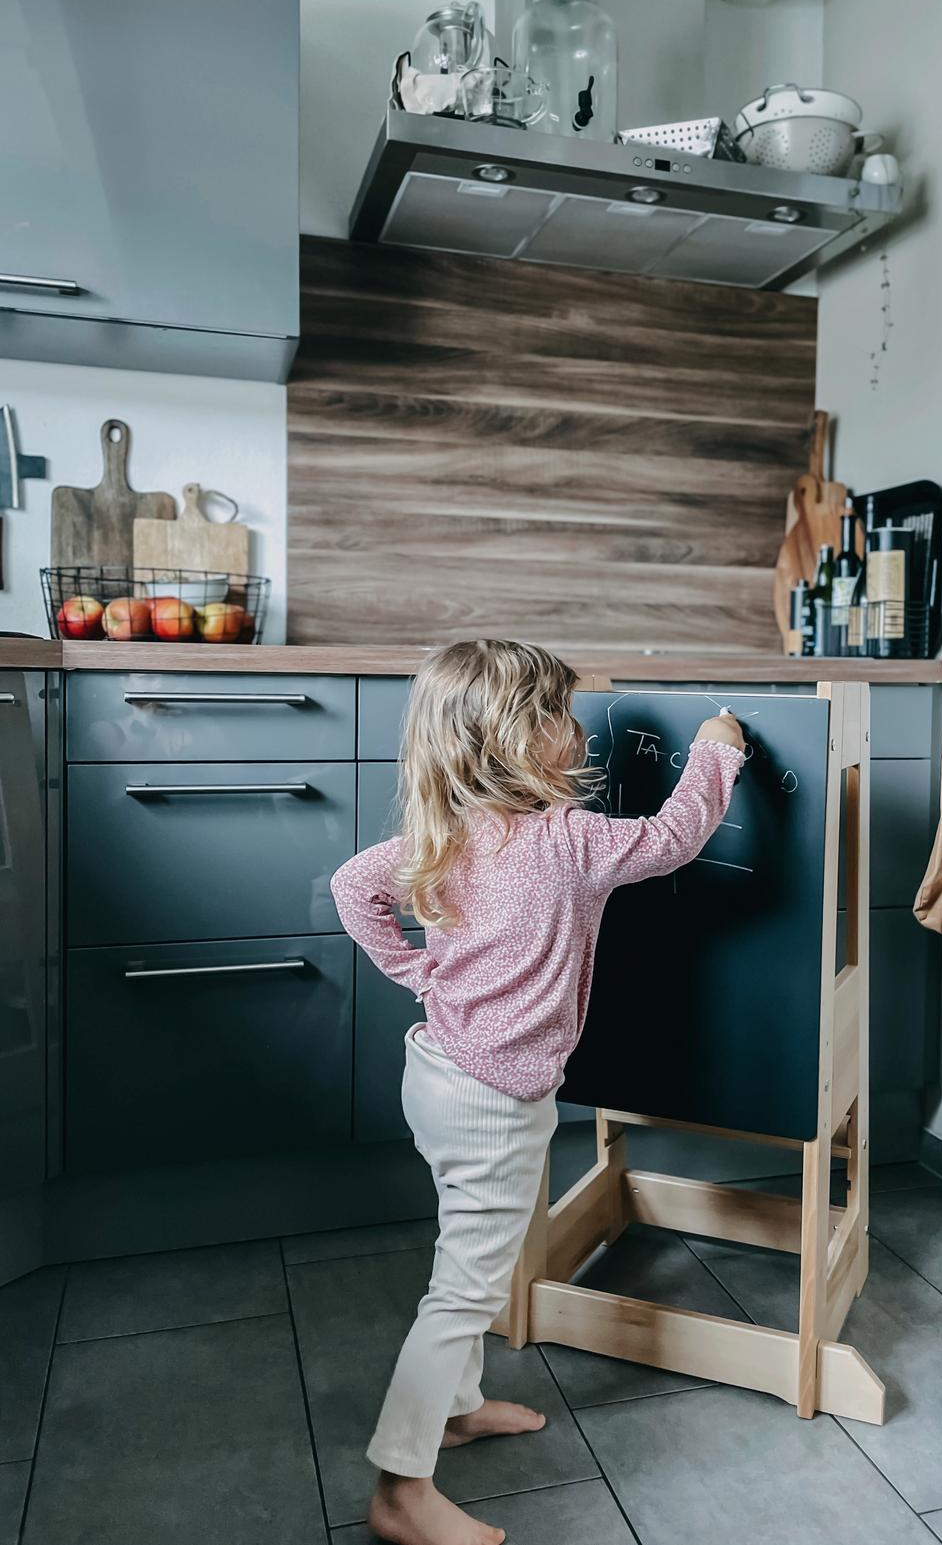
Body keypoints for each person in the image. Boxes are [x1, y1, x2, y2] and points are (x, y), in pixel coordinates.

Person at [331, 639, 745, 1545]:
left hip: (440, 1071)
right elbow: (675, 835)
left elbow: (352, 885)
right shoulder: (569, 841)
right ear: (520, 738)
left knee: (476, 1248)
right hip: (490, 1095)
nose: (574, 727)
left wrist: (418, 972)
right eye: (558, 712)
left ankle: (456, 1406)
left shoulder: (444, 834)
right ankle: (400, 1490)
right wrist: (718, 748)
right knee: (465, 1288)